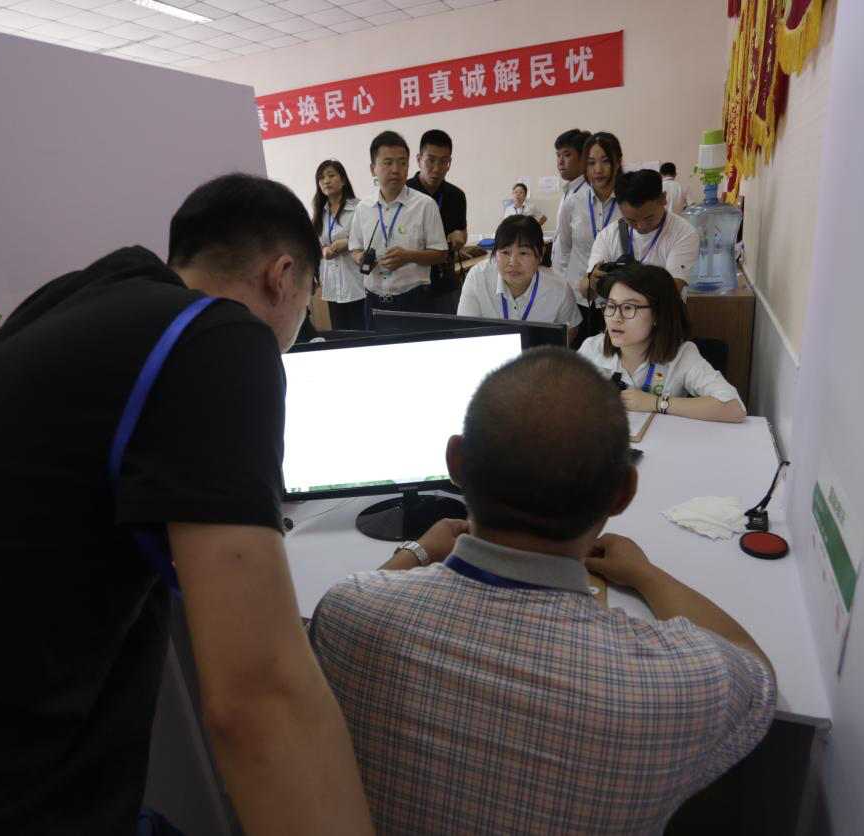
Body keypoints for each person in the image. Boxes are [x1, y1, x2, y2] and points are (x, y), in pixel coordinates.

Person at [0, 173, 373, 834]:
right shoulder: (222, 335)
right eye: (308, 296)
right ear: (282, 277)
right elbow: (261, 697)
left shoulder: (88, 294)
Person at [308, 347, 775, 834]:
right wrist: (647, 574)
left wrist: (417, 552)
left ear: (456, 463)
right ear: (622, 493)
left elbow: (363, 594)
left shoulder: (346, 613)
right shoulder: (672, 688)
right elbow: (755, 673)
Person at [579, 263, 745, 421]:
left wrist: (656, 403)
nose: (616, 318)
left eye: (629, 307)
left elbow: (734, 407)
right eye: (611, 306)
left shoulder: (682, 355)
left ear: (658, 314)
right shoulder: (592, 348)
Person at [349, 130, 448, 319]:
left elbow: (440, 254)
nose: (396, 169)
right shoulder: (363, 208)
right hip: (373, 302)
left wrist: (408, 256)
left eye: (402, 163)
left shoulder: (425, 205)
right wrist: (360, 257)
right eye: (388, 163)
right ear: (373, 168)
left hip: (415, 301)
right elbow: (355, 249)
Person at [456, 215, 580, 341]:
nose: (513, 263)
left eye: (523, 253)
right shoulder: (477, 278)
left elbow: (570, 331)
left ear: (541, 254)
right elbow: (464, 332)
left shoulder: (558, 288)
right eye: (505, 252)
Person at [588, 168, 700, 298]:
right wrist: (592, 284)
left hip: (663, 310)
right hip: (618, 311)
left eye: (649, 218)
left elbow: (672, 289)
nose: (641, 226)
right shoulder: (607, 236)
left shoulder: (683, 232)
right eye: (631, 220)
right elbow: (586, 291)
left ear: (663, 198)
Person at [555, 131, 624, 340]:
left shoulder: (627, 202)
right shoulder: (573, 203)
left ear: (618, 161)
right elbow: (563, 251)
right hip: (580, 299)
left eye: (605, 161)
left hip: (621, 299)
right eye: (591, 162)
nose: (598, 169)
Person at [405, 128, 468, 310]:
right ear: (419, 159)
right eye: (430, 160)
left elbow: (462, 231)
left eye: (443, 161)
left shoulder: (456, 196)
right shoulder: (404, 193)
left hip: (444, 281)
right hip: (410, 284)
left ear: (449, 163)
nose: (436, 168)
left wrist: (460, 236)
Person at [312, 159, 365, 331]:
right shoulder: (320, 211)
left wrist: (348, 242)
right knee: (341, 335)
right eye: (321, 178)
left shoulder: (359, 207)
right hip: (332, 286)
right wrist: (324, 250)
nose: (326, 181)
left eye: (331, 175)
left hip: (356, 284)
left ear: (343, 180)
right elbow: (317, 243)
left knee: (361, 335)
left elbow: (372, 239)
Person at [550, 127, 589, 274]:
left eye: (567, 155)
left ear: (584, 157)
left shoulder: (588, 194)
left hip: (578, 278)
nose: (560, 162)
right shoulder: (569, 190)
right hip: (562, 275)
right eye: (558, 155)